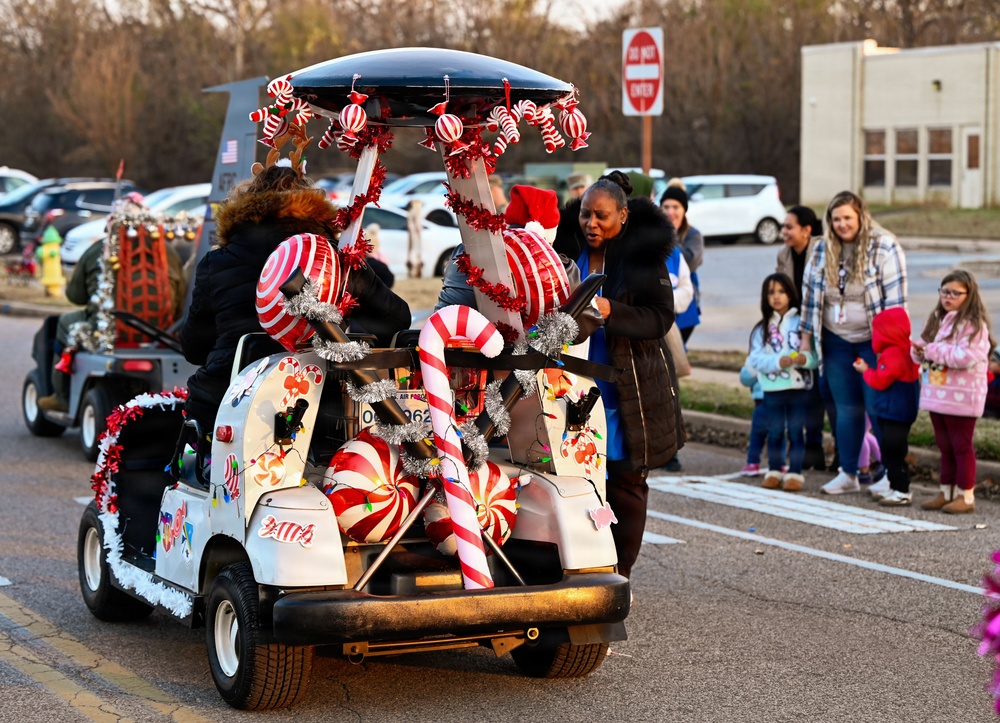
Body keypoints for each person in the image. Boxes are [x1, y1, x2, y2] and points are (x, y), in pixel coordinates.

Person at [181, 165, 410, 434]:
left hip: (228, 401)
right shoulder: (337, 260)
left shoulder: (218, 262)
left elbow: (194, 347)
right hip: (323, 405)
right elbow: (396, 320)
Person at [563, 171, 683, 579]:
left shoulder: (643, 257)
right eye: (585, 215)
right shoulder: (569, 245)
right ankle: (584, 566)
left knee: (624, 485)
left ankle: (620, 575)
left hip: (626, 388)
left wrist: (614, 311)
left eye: (602, 216)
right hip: (571, 387)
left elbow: (660, 317)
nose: (591, 224)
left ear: (624, 216)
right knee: (575, 483)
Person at [799, 190, 907, 495]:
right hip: (835, 341)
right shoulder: (821, 250)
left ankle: (887, 474)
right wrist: (806, 342)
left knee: (877, 407)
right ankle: (849, 472)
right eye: (836, 219)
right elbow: (809, 298)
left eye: (848, 217)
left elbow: (897, 303)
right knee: (846, 408)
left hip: (874, 342)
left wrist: (896, 347)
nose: (842, 224)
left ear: (860, 216)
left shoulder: (884, 246)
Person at [911, 270, 994, 514]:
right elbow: (925, 345)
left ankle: (966, 495)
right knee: (944, 445)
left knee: (961, 445)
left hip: (963, 395)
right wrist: (918, 351)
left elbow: (966, 357)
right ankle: (945, 491)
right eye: (944, 291)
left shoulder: (975, 326)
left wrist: (932, 351)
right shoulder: (936, 319)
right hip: (938, 393)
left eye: (955, 293)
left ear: (969, 295)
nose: (948, 297)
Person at [435, 185, 578, 310]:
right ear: (547, 237)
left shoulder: (465, 250)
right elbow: (579, 327)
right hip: (513, 340)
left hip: (445, 332)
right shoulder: (557, 269)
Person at [745, 273, 817, 491]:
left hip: (797, 388)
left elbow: (815, 356)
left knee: (796, 431)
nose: (776, 297)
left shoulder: (802, 324)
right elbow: (755, 359)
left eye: (781, 291)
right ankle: (774, 470)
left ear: (790, 294)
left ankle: (795, 472)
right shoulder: (762, 328)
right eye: (771, 292)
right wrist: (777, 361)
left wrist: (805, 360)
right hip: (772, 388)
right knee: (774, 430)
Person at [853, 307, 920, 506]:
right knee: (892, 450)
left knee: (893, 451)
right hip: (899, 410)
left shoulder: (893, 353)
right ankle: (894, 486)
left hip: (894, 411)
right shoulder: (905, 349)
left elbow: (881, 380)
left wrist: (865, 371)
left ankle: (901, 489)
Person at [659, 181, 703, 344]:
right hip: (661, 302)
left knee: (677, 349)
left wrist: (669, 237)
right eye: (666, 207)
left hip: (686, 304)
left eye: (675, 207)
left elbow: (692, 260)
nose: (670, 212)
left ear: (684, 210)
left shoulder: (693, 235)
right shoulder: (654, 233)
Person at [738, 362, 767, 477]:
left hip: (761, 401)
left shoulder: (756, 357)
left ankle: (752, 462)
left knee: (757, 433)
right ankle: (779, 463)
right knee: (777, 433)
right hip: (779, 400)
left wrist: (754, 368)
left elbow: (745, 378)